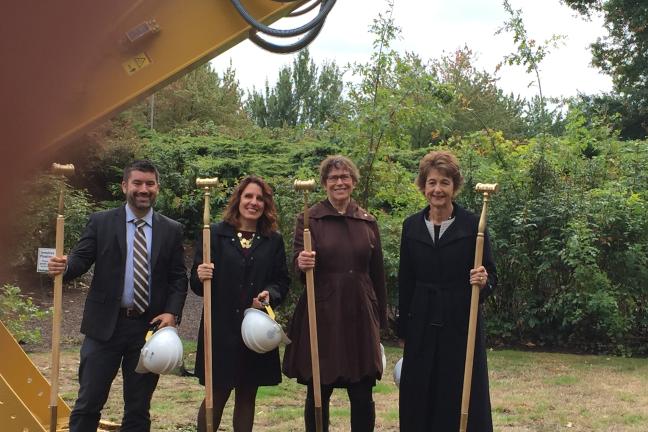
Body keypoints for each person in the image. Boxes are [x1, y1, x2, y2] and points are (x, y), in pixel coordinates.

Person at [48, 159, 188, 432]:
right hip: (104, 328)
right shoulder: (101, 222)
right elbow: (80, 259)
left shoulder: (171, 229)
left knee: (137, 408)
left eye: (149, 183)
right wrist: (63, 266)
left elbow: (178, 277)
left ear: (157, 187)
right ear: (125, 186)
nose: (143, 189)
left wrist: (172, 313)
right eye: (137, 183)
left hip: (148, 330)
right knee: (89, 401)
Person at [283, 155, 387, 432]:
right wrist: (300, 262)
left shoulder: (367, 222)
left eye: (344, 177)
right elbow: (296, 266)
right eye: (333, 178)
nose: (339, 182)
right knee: (319, 388)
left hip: (360, 313)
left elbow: (377, 275)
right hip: (323, 312)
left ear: (353, 181)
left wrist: (381, 320)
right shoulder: (309, 220)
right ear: (324, 184)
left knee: (362, 390)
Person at [397, 150, 496, 431]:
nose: (437, 189)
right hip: (422, 321)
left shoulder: (473, 226)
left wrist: (483, 280)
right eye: (431, 182)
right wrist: (404, 328)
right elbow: (407, 279)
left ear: (454, 186)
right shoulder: (411, 226)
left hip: (460, 322)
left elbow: (491, 276)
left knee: (457, 390)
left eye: (444, 182)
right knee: (420, 391)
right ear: (423, 186)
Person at [190, 175, 290, 432]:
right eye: (248, 196)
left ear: (266, 204)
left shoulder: (273, 240)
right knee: (217, 395)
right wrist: (200, 275)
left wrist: (269, 294)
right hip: (220, 328)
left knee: (247, 395)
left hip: (254, 332)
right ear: (238, 200)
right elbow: (196, 283)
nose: (253, 202)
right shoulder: (213, 234)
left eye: (259, 198)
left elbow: (281, 281)